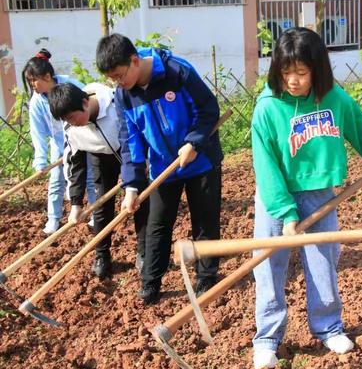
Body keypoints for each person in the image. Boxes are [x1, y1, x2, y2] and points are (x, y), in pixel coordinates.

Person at [251, 27, 362, 369]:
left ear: (318, 69)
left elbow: (358, 126)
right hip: (276, 195)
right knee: (269, 265)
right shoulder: (267, 108)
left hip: (319, 194)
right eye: (286, 73)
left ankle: (328, 327)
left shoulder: (334, 99)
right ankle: (268, 338)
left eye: (301, 72)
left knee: (322, 260)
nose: (294, 81)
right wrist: (285, 214)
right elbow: (266, 166)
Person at [95, 33, 223, 304]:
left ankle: (206, 277)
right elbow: (130, 140)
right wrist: (131, 184)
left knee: (205, 219)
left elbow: (208, 110)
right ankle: (151, 281)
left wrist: (194, 142)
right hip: (164, 165)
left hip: (200, 159)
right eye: (113, 79)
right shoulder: (124, 96)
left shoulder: (177, 72)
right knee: (158, 224)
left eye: (120, 75)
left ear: (134, 60)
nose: (118, 83)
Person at [48, 82, 149, 279]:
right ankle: (102, 255)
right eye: (65, 119)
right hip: (100, 156)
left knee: (140, 202)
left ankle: (143, 252)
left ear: (85, 103)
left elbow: (135, 136)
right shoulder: (71, 128)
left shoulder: (114, 104)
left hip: (129, 152)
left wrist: (137, 174)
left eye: (71, 117)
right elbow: (74, 163)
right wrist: (76, 203)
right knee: (102, 206)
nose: (71, 123)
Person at [22, 49, 96, 234]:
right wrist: (41, 159)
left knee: (89, 178)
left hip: (82, 139)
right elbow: (38, 133)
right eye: (29, 82)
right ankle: (53, 220)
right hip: (59, 144)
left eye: (34, 80)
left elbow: (89, 100)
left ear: (47, 76)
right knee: (56, 181)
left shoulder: (70, 85)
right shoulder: (37, 102)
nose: (33, 85)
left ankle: (96, 214)